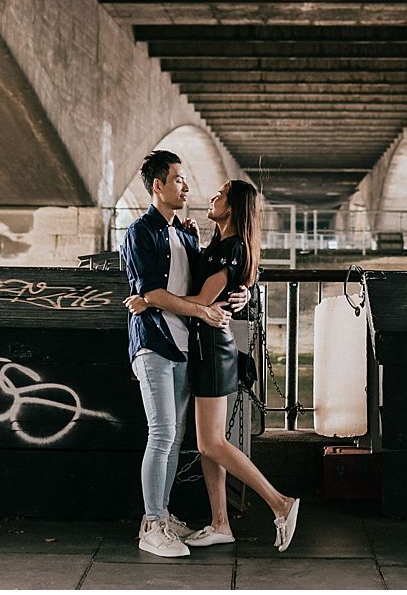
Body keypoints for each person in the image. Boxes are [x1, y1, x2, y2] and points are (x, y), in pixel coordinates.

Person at [127, 178, 301, 553]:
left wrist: (152, 300)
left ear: (233, 207)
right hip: (202, 346)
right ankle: (220, 522)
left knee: (211, 443)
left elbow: (206, 300)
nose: (211, 196)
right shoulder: (219, 244)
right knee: (208, 443)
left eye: (220, 195)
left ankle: (279, 503)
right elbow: (215, 288)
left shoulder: (232, 247)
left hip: (211, 349)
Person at [120, 149, 231, 558]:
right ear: (158, 186)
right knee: (162, 432)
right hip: (153, 342)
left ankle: (162, 514)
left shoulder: (186, 233)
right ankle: (151, 524)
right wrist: (177, 305)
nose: (186, 186)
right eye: (179, 179)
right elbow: (150, 290)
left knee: (176, 435)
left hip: (185, 345)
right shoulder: (139, 232)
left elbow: (185, 286)